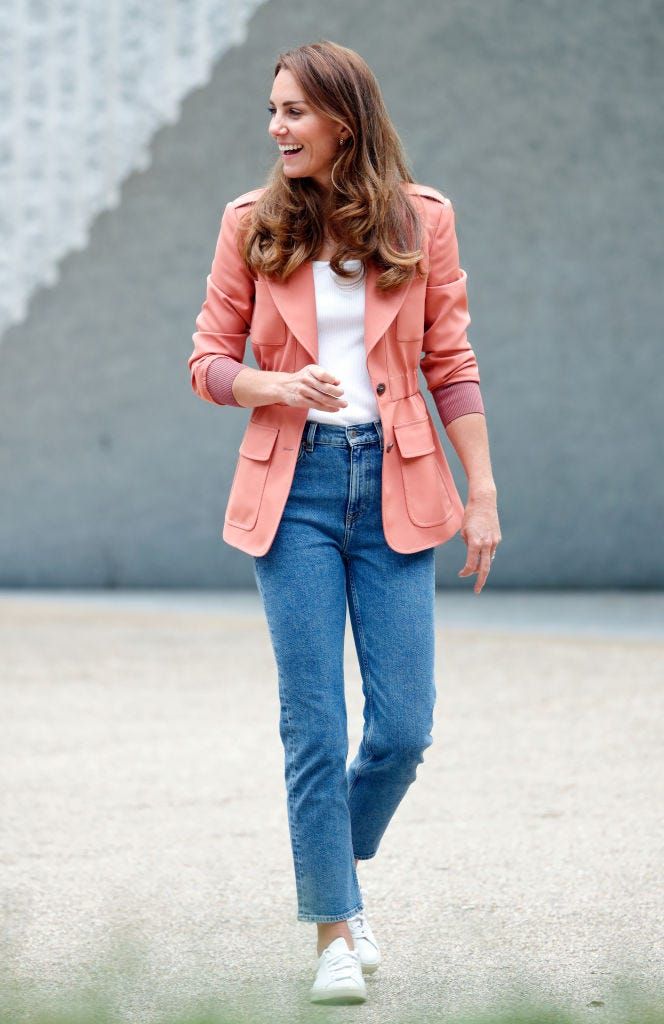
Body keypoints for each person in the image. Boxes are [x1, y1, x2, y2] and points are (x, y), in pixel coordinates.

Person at [188, 40, 501, 1006]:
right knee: (315, 723)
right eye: (272, 111)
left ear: (344, 120)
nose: (276, 127)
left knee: (403, 728)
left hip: (399, 482)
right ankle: (332, 929)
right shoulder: (250, 224)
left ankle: (335, 869)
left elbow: (450, 363)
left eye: (293, 111)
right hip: (295, 493)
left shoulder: (421, 220)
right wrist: (276, 385)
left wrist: (482, 491)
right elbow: (207, 362)